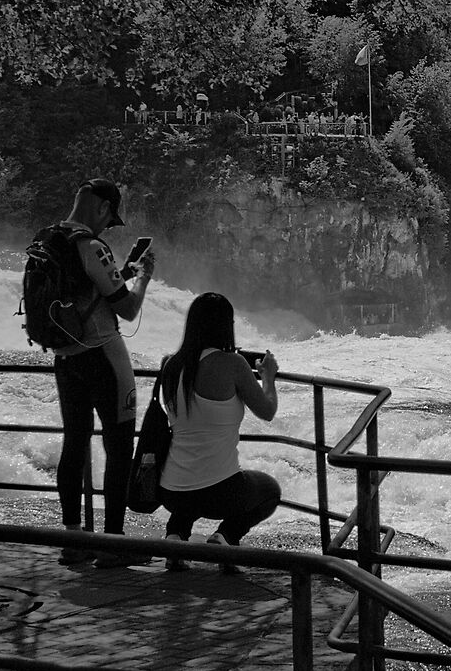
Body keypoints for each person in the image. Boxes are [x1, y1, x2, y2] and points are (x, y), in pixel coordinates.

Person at [45, 178, 156, 567]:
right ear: (104, 208)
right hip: (104, 357)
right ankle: (113, 543)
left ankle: (73, 539)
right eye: (110, 220)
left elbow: (87, 294)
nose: (108, 228)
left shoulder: (50, 242)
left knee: (74, 443)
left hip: (66, 357)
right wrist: (142, 280)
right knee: (119, 444)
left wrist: (121, 273)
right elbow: (125, 310)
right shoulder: (91, 245)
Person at [154, 293, 283, 570]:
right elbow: (267, 411)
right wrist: (268, 378)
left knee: (190, 483)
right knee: (270, 490)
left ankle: (175, 537)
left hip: (170, 491)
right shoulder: (233, 364)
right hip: (220, 494)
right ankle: (225, 538)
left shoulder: (170, 365)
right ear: (226, 325)